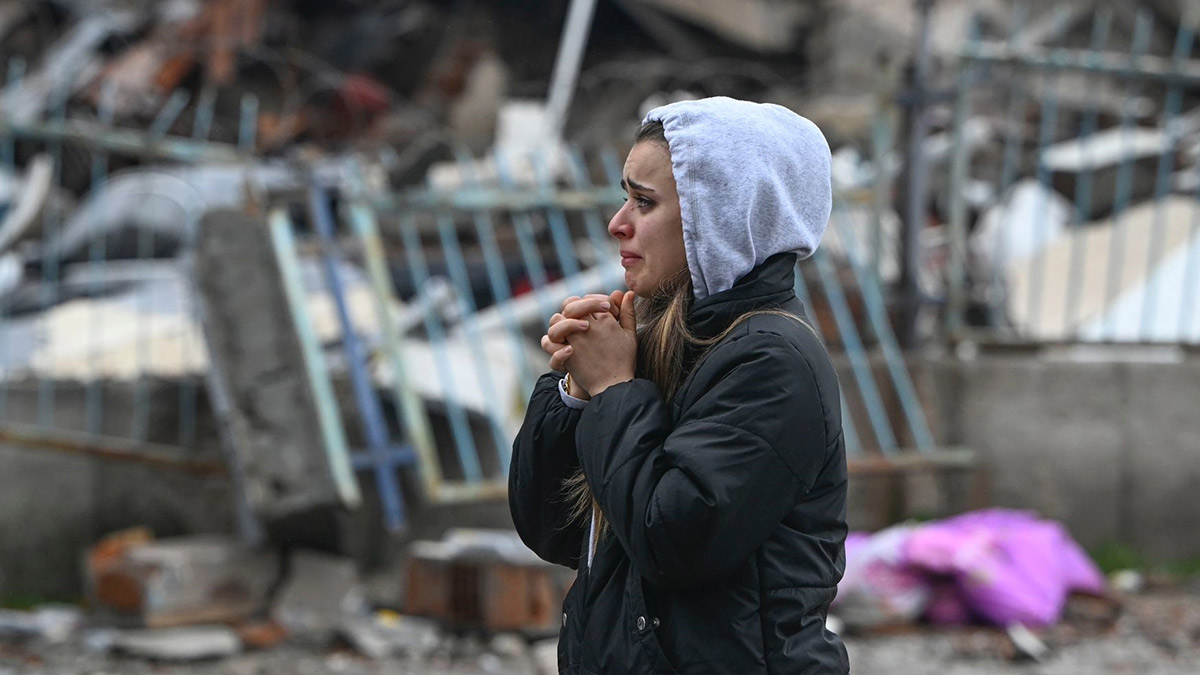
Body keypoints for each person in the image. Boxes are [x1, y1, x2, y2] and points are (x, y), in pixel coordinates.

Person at [509, 96, 849, 675]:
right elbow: (556, 532)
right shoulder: (662, 336)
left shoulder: (771, 361)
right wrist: (575, 391)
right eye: (625, 196)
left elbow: (674, 543)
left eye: (645, 202)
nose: (618, 223)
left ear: (718, 213)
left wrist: (616, 389)